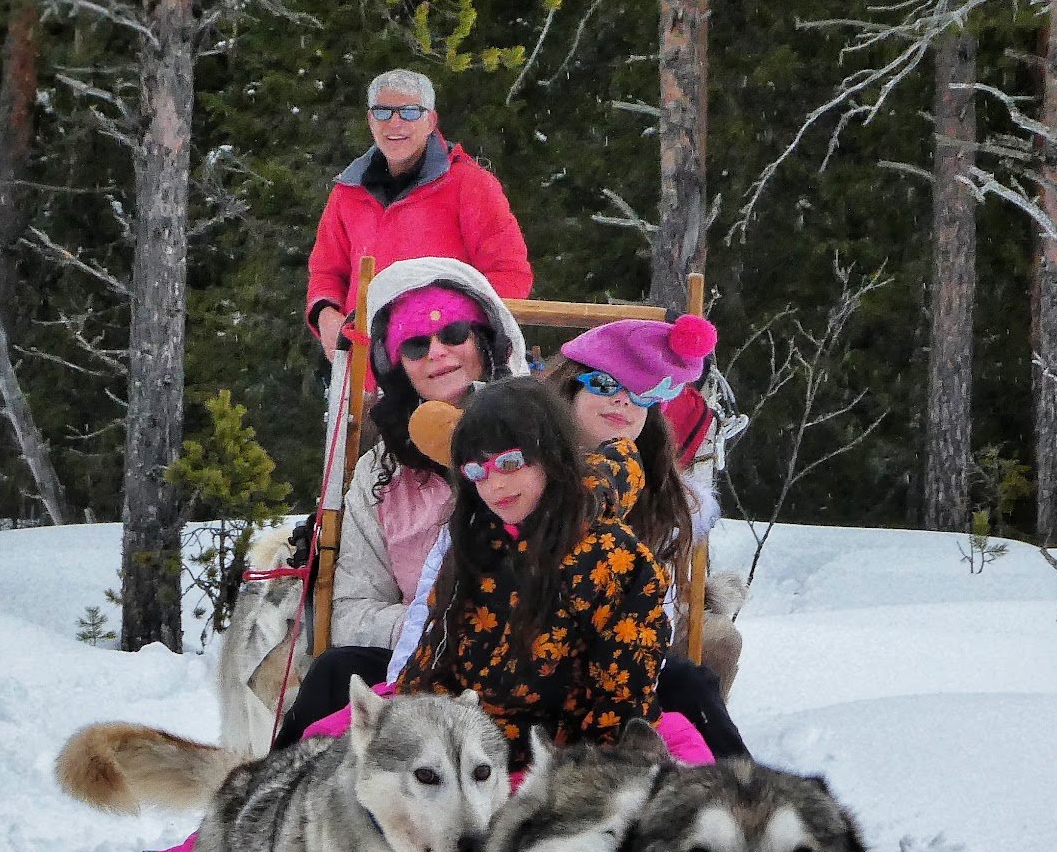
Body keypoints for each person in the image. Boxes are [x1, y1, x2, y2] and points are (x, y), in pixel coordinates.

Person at [272, 256, 530, 748]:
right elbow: (350, 610)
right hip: (418, 661)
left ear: (485, 340)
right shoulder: (381, 471)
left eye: (454, 333)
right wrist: (435, 625)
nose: (437, 352)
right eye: (415, 344)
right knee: (335, 670)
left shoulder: (541, 434)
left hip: (532, 654)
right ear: (397, 366)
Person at [395, 378, 673, 765]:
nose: (495, 484)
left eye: (509, 462)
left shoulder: (609, 554)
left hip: (561, 755)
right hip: (471, 741)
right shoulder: (481, 538)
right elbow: (437, 653)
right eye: (477, 470)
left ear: (553, 455)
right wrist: (403, 723)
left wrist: (591, 776)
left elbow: (622, 687)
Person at [540, 314, 749, 760]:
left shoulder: (658, 495)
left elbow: (658, 609)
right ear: (571, 387)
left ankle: (741, 802)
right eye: (604, 384)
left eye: (642, 394)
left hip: (624, 662)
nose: (622, 402)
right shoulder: (527, 471)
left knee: (692, 686)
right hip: (529, 651)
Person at [304, 70, 532, 352]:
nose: (394, 123)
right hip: (364, 366)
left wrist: (451, 326)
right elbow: (326, 271)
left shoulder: (469, 185)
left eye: (410, 112)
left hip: (447, 361)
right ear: (370, 119)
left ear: (430, 120)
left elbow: (510, 274)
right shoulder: (348, 192)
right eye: (383, 112)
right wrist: (326, 314)